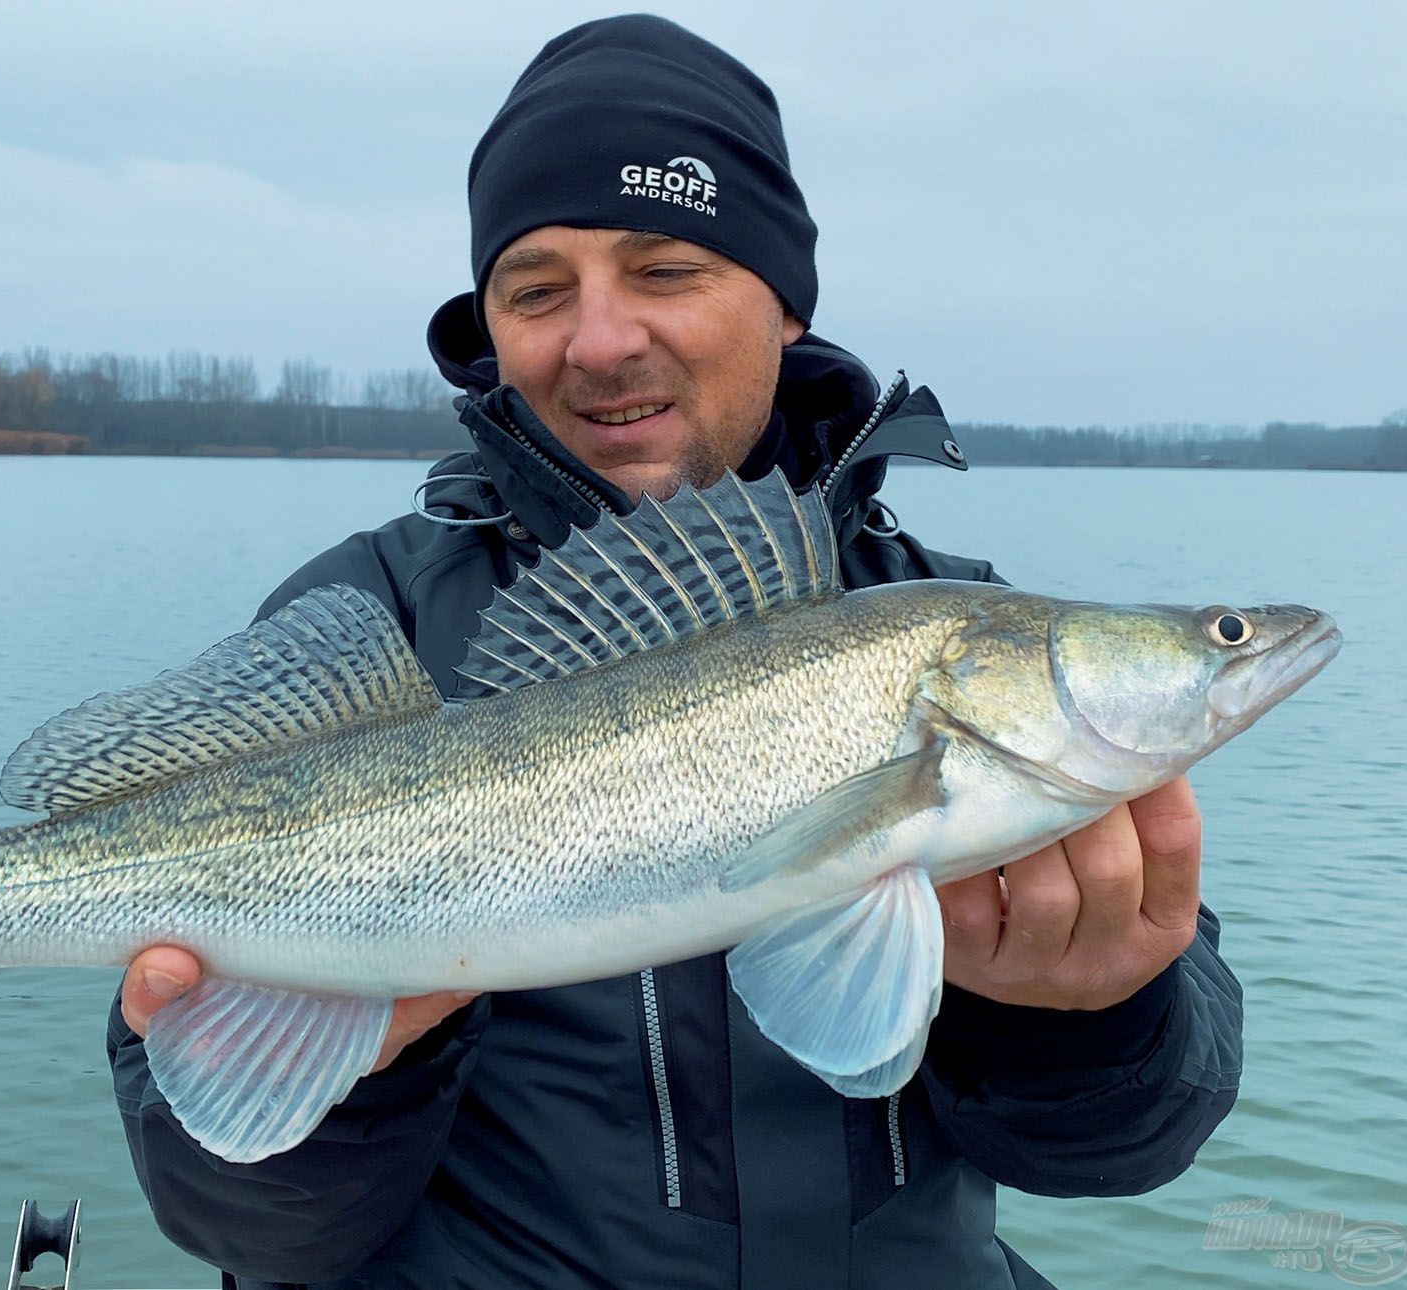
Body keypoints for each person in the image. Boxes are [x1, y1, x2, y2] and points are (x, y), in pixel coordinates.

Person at [107, 15, 1242, 1289]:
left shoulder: (951, 619)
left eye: (665, 270)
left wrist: (1087, 1015)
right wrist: (353, 1058)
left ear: (783, 299)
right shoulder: (372, 619)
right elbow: (243, 1224)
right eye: (537, 289)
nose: (598, 341)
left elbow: (1126, 1150)